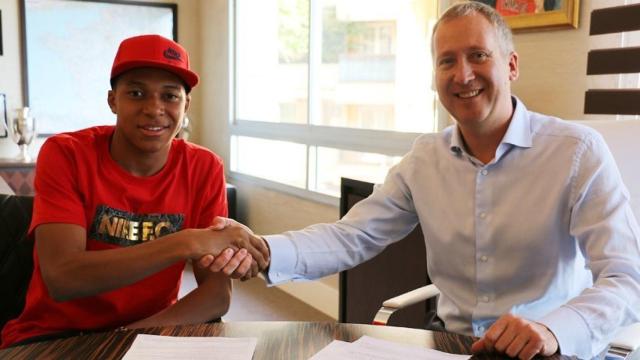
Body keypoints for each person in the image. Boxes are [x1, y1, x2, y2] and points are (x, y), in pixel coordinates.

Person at [203, 2, 640, 359]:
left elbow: (626, 279)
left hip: (550, 351)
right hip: (450, 347)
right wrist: (263, 250)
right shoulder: (424, 159)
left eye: (478, 55)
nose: (462, 74)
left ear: (510, 65)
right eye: (446, 61)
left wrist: (552, 328)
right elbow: (350, 236)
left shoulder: (577, 151)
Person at [0, 34, 268, 348]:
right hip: (53, 336)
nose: (154, 109)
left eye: (170, 96)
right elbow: (63, 278)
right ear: (113, 100)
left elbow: (216, 296)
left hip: (147, 333)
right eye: (137, 93)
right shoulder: (66, 153)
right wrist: (186, 241)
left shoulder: (204, 167)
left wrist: (127, 337)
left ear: (186, 105)